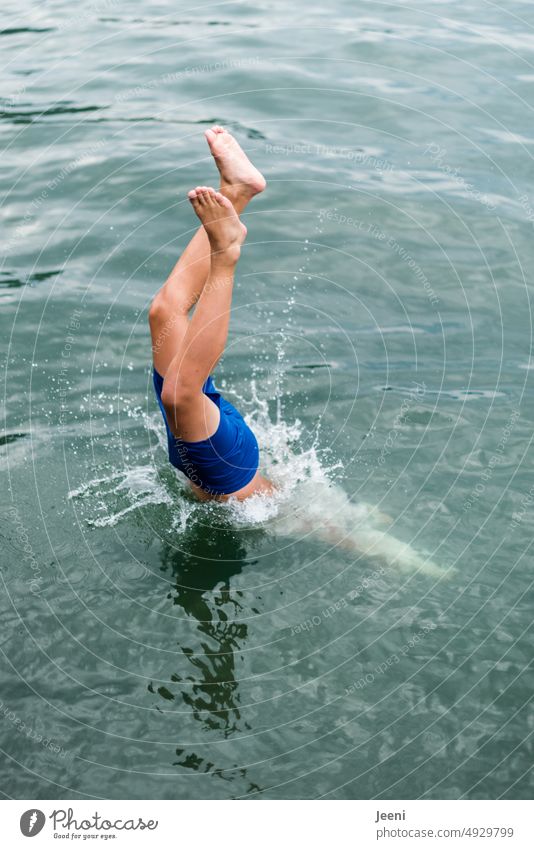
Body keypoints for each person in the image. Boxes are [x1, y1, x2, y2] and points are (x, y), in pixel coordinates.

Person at [149, 126, 274, 501]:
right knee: (180, 393)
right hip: (217, 462)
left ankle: (234, 201)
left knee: (164, 313)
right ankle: (232, 212)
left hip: (215, 460)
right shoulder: (304, 516)